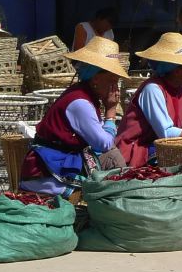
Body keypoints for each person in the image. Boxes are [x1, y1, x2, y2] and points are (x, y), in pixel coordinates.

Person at [18, 37, 129, 196]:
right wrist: (110, 112)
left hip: (64, 160)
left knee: (113, 158)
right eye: (112, 80)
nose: (115, 87)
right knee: (112, 158)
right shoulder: (80, 103)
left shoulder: (86, 95)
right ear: (96, 78)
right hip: (47, 172)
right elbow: (103, 143)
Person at [114, 32, 182, 167]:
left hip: (161, 148)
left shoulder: (180, 90)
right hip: (136, 151)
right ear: (176, 70)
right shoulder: (153, 89)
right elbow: (166, 133)